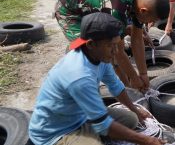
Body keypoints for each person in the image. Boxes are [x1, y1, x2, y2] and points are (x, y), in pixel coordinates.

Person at [29, 13, 166, 145]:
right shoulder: (79, 76)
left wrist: (136, 111)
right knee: (105, 130)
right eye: (110, 46)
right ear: (90, 44)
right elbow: (103, 126)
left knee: (132, 119)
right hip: (57, 131)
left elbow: (116, 87)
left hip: (81, 115)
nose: (116, 51)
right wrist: (147, 140)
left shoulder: (100, 57)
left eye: (117, 45)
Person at [54, 0, 170, 91]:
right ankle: (73, 53)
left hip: (92, 7)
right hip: (70, 11)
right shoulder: (116, 10)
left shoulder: (139, 0)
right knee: (93, 49)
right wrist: (134, 78)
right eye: (151, 20)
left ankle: (126, 87)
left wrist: (143, 74)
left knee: (109, 44)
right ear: (143, 11)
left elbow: (137, 39)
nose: (151, 23)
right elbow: (118, 52)